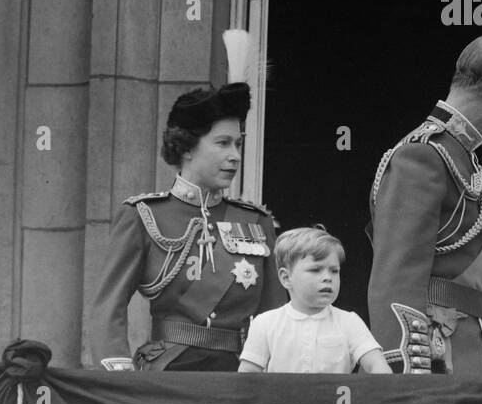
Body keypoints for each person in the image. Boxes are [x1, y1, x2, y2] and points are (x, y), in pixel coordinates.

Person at [366, 35, 482, 374]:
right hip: (435, 363)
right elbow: (396, 278)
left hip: (468, 355)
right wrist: (408, 373)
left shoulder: (461, 157)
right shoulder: (422, 155)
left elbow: (469, 296)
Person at [88, 81, 285, 371]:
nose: (236, 155)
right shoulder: (143, 215)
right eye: (223, 143)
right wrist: (122, 377)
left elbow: (275, 316)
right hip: (168, 372)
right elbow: (109, 307)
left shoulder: (256, 221)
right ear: (187, 147)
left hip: (240, 375)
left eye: (238, 144)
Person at [239, 226, 390, 374]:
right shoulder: (266, 323)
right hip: (279, 399)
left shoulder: (349, 322)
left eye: (334, 271)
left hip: (334, 399)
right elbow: (247, 378)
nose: (327, 277)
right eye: (315, 270)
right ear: (286, 278)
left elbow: (377, 366)